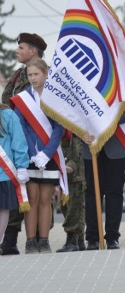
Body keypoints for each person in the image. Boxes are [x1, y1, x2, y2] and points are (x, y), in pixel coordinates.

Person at [0, 32, 47, 256]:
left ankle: (43, 239)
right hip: (17, 145)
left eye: (21, 48)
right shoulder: (17, 76)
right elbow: (7, 105)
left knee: (41, 197)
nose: (17, 51)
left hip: (44, 147)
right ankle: (10, 241)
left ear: (33, 51)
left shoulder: (48, 76)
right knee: (20, 198)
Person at [13, 58, 64, 254]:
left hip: (49, 156)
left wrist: (47, 153)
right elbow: (20, 128)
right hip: (30, 156)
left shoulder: (54, 97)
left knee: (46, 198)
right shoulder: (22, 99)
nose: (32, 78)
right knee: (32, 198)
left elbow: (59, 127)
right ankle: (30, 241)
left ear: (46, 74)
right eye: (30, 75)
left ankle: (44, 240)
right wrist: (34, 153)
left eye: (36, 74)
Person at [82, 103, 125, 250]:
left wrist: (104, 122)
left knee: (115, 192)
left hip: (116, 143)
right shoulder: (85, 79)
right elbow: (75, 110)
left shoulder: (123, 79)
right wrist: (81, 131)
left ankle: (112, 237)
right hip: (91, 143)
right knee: (92, 193)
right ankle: (92, 238)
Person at [0, 104, 29, 245]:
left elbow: (19, 142)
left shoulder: (8, 114)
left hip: (4, 173)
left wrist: (21, 165)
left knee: (3, 209)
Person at [56, 134, 86, 252]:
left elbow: (78, 148)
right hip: (62, 153)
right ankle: (79, 239)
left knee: (74, 200)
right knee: (65, 203)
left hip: (75, 160)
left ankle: (73, 238)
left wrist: (71, 164)